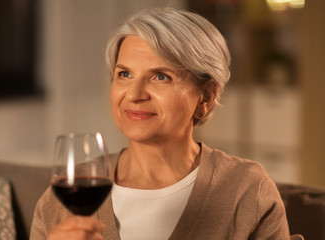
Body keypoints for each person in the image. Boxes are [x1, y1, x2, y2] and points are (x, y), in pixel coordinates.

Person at [30, 7, 291, 240]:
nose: (134, 94)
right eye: (124, 74)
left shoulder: (247, 190)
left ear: (206, 97)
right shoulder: (63, 197)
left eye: (161, 77)